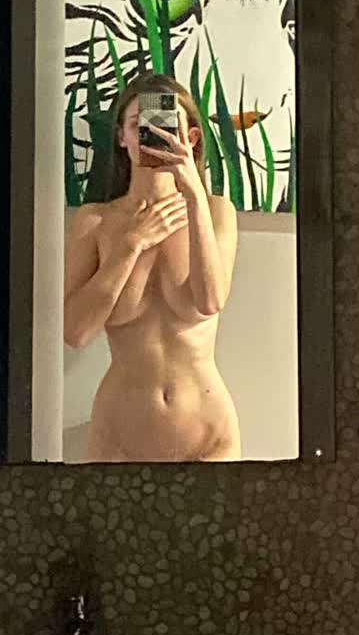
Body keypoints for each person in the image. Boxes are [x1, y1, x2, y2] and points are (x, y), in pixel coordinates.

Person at [63, 72, 240, 461]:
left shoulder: (215, 211)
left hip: (209, 440)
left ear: (191, 137)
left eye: (167, 126)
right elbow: (75, 332)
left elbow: (210, 301)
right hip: (118, 442)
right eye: (139, 125)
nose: (154, 135)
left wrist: (193, 195)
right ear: (122, 138)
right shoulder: (96, 221)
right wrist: (131, 244)